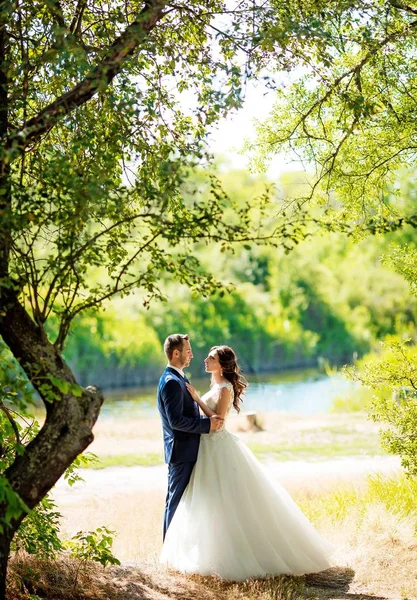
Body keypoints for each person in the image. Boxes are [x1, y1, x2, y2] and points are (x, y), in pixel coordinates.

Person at [160, 345, 334, 580]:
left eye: (210, 358)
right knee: (207, 501)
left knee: (229, 500)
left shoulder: (224, 388)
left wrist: (197, 399)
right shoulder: (214, 384)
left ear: (221, 365)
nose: (204, 360)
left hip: (218, 447)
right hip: (206, 449)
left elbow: (217, 421)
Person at [157, 333, 224, 539]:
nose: (192, 355)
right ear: (176, 353)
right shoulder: (171, 382)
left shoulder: (178, 377)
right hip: (181, 451)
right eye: (188, 351)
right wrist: (208, 425)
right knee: (175, 501)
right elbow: (176, 421)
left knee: (182, 501)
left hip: (188, 450)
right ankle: (168, 551)